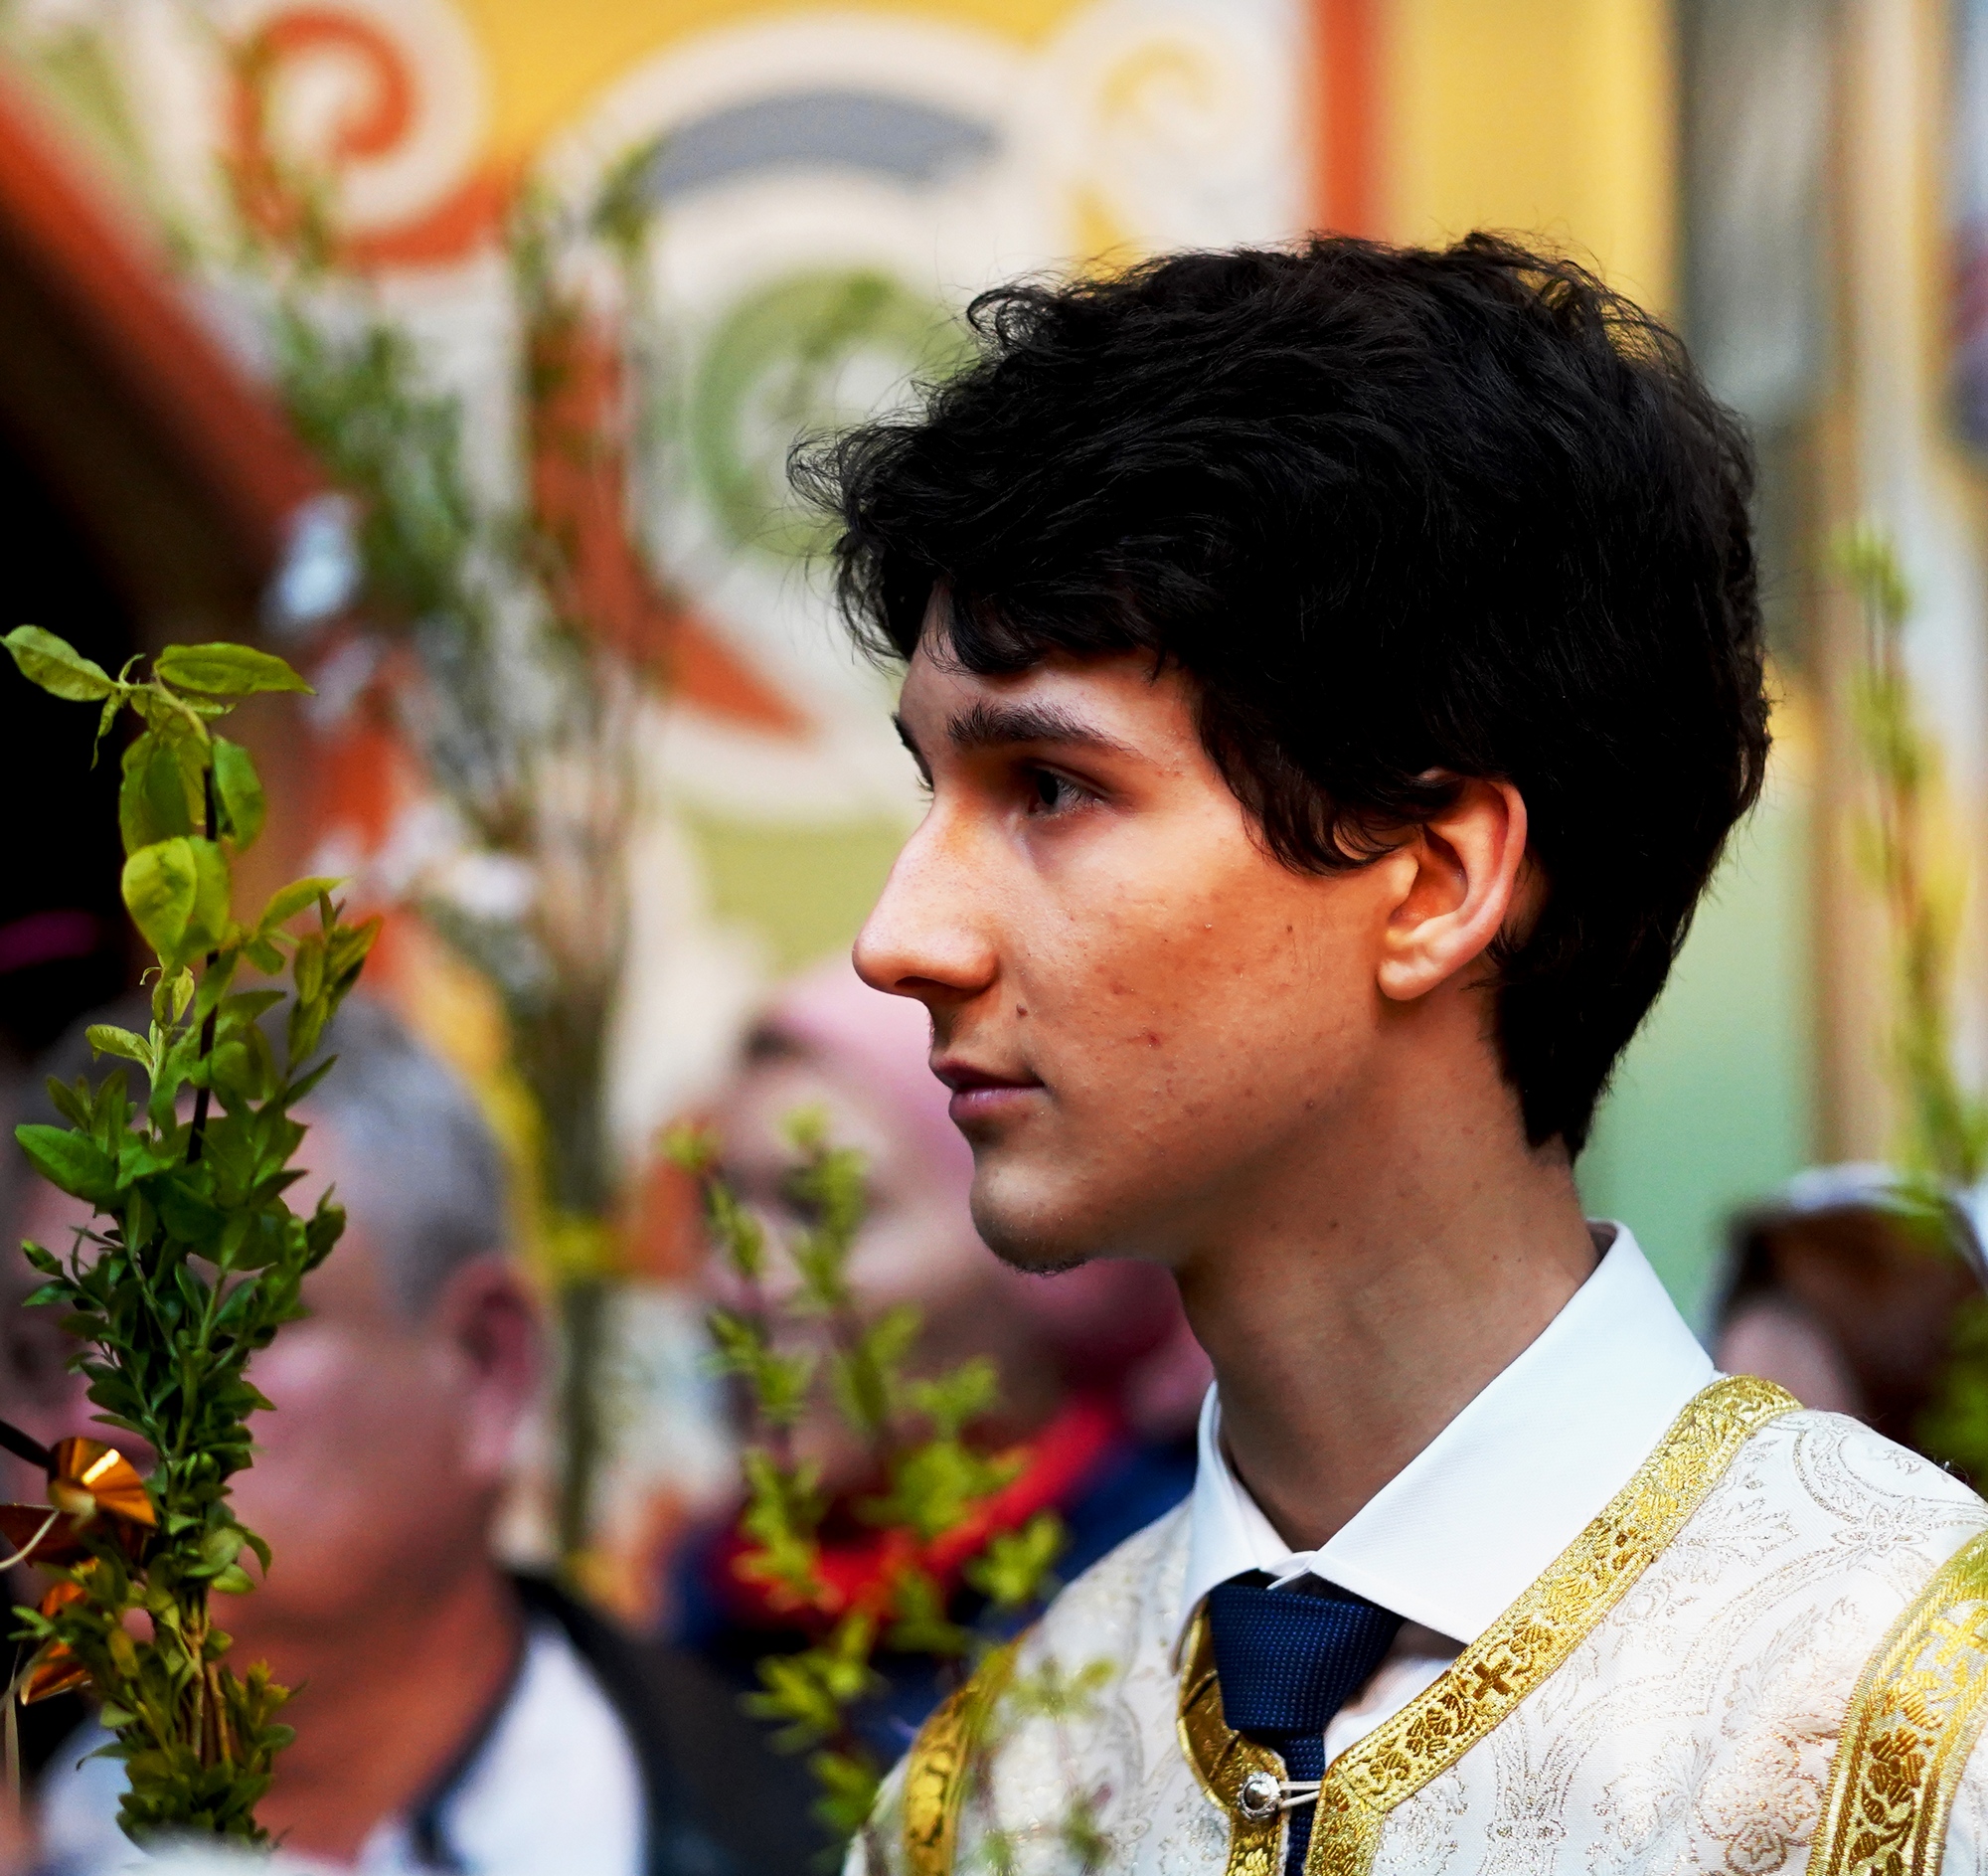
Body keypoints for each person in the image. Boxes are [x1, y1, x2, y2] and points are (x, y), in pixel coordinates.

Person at [792, 235, 1988, 1876]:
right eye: (932, 786)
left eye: (1049, 788)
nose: (900, 936)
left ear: (1431, 883)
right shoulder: (997, 1784)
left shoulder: (1910, 1711)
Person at [1, 999, 767, 1875]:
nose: (87, 1424)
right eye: (36, 1353)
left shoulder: (810, 1838)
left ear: (487, 1367)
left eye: (193, 1329)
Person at [676, 956, 1209, 1859]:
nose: (736, 1282)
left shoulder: (1192, 1595)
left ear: (1044, 1247)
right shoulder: (699, 1606)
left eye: (822, 1210)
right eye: (722, 1208)